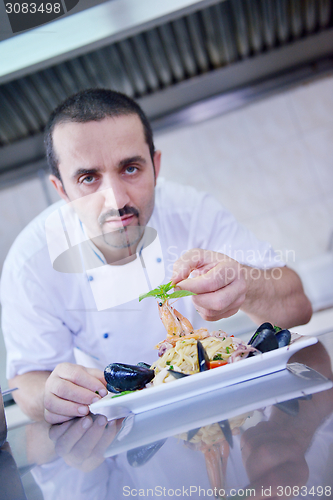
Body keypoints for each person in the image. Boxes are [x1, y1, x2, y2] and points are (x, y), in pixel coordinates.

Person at [1, 89, 312, 425]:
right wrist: (50, 395)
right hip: (115, 431)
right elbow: (26, 380)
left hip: (217, 411)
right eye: (88, 178)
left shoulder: (192, 211)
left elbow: (298, 309)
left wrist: (245, 283)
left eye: (131, 169)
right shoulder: (30, 261)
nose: (116, 199)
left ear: (156, 165)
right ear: (62, 190)